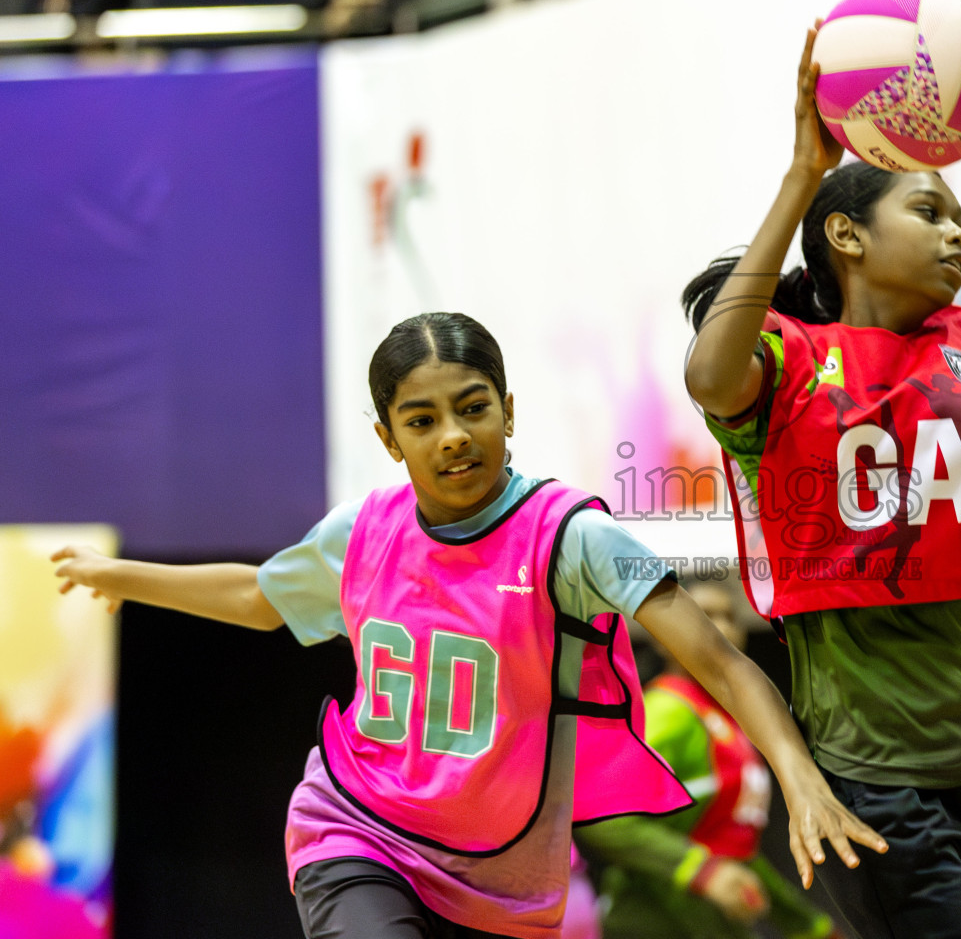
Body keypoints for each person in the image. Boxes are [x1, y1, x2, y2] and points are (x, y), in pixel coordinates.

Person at [52, 312, 884, 939]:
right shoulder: (362, 532)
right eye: (421, 421)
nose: (453, 436)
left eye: (472, 407)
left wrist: (802, 776)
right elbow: (259, 596)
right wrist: (125, 576)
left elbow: (719, 661)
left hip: (506, 877)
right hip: (359, 828)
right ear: (389, 438)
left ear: (509, 411)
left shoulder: (574, 536)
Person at [679, 27, 961, 939]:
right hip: (869, 775)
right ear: (846, 235)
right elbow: (711, 376)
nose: (957, 232)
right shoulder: (791, 360)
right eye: (930, 212)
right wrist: (803, 173)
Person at [576, 578, 839, 939]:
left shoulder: (727, 722)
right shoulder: (667, 713)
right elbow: (600, 814)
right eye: (706, 616)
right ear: (660, 635)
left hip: (714, 921)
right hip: (652, 923)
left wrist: (808, 926)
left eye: (731, 616)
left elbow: (732, 847)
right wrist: (699, 869)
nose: (725, 628)